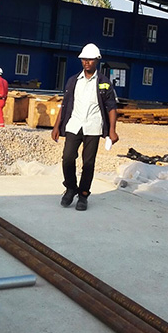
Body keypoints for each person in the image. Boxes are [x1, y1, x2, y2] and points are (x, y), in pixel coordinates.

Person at [51, 43, 119, 211]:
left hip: (93, 127)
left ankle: (83, 195)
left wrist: (112, 131)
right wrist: (56, 127)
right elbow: (65, 105)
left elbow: (111, 107)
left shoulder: (104, 83)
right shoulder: (73, 81)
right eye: (84, 59)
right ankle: (70, 187)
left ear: (97, 61)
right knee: (67, 158)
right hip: (74, 125)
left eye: (90, 59)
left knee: (88, 163)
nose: (86, 62)